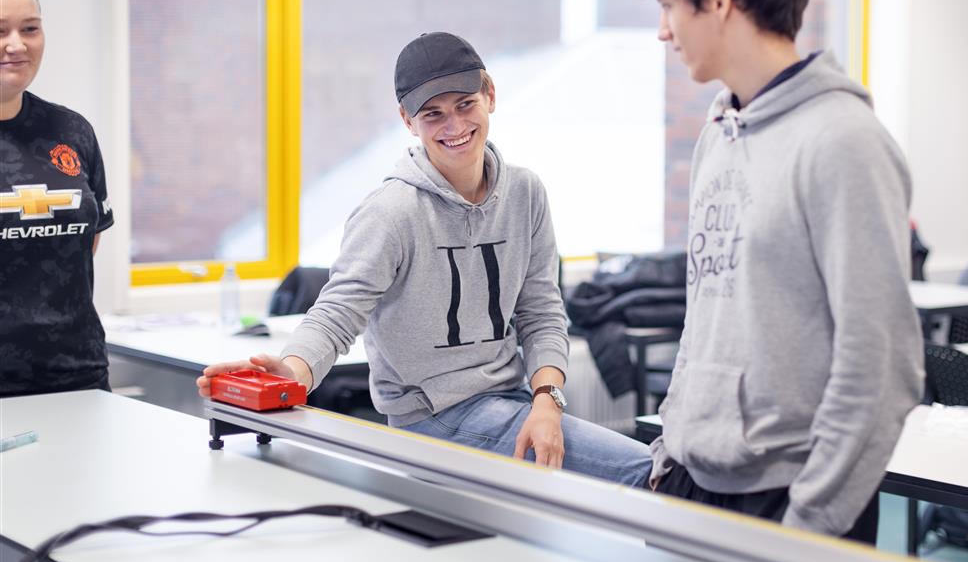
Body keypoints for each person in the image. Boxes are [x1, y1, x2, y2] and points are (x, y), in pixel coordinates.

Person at [197, 32, 650, 486]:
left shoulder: (525, 193)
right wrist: (292, 373)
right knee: (650, 473)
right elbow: (336, 314)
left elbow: (542, 311)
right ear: (408, 121)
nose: (454, 125)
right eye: (433, 114)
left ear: (490, 95)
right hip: (432, 418)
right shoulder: (391, 212)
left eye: (465, 105)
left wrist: (547, 401)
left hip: (510, 400)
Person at [636, 0, 923, 542]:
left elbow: (881, 365)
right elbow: (706, 318)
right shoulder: (717, 133)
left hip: (789, 505)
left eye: (668, 5)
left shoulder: (844, 141)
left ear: (717, 0)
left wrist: (809, 528)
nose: (663, 31)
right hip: (693, 482)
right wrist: (669, 450)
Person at [0, 0, 115, 397]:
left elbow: (86, 242)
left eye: (29, 29)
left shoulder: (71, 131)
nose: (16, 45)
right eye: (0, 30)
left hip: (78, 377)